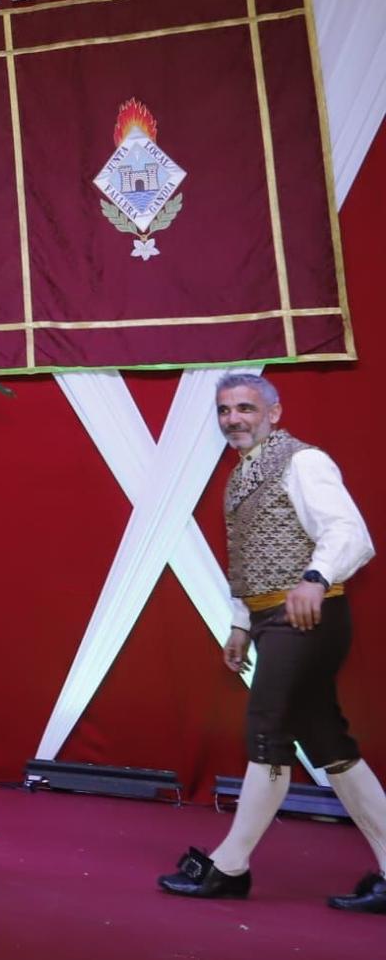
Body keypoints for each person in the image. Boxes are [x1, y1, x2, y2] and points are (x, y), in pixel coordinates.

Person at [159, 372, 384, 913]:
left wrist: (314, 578)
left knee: (267, 731)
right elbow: (247, 564)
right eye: (224, 410)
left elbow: (350, 534)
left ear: (273, 413)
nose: (233, 419)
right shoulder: (238, 479)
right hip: (269, 622)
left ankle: (229, 866)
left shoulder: (304, 461)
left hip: (307, 618)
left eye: (245, 408)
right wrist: (240, 623)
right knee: (328, 742)